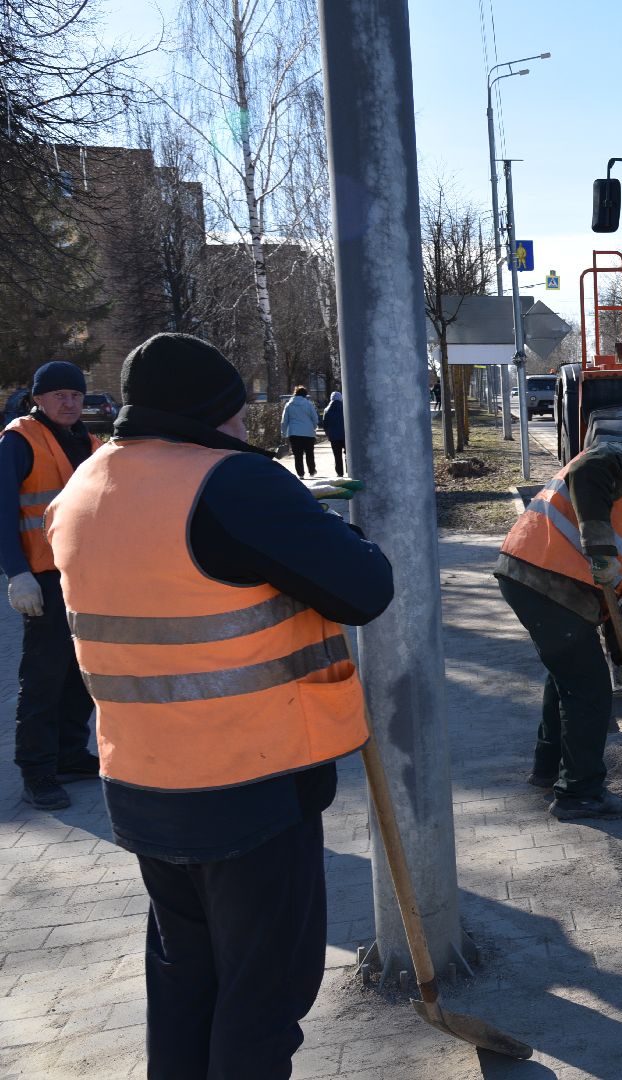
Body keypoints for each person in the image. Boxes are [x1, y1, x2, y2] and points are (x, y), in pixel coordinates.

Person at [45, 333, 394, 1077]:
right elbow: (364, 588)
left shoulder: (86, 483)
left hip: (140, 785)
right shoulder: (230, 482)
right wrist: (329, 529)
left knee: (184, 985)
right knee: (261, 1000)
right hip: (248, 787)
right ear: (207, 413)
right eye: (235, 416)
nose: (242, 431)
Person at [495, 428, 622, 820]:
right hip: (544, 579)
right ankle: (579, 794)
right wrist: (598, 547)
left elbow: (618, 599)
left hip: (541, 582)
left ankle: (548, 770)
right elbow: (587, 473)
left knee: (566, 677)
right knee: (589, 690)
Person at [2, 362, 101, 810]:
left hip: (88, 576)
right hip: (42, 577)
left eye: (76, 395)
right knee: (42, 676)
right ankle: (37, 771)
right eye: (59, 394)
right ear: (37, 399)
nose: (69, 402)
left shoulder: (90, 442)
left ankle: (70, 754)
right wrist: (16, 572)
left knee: (81, 671)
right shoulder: (19, 441)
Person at [280, 385, 320, 477]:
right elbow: (315, 418)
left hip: (294, 433)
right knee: (309, 453)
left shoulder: (289, 404)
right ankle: (312, 471)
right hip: (308, 433)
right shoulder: (309, 404)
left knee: (298, 455)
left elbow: (284, 420)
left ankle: (300, 473)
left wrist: (283, 432)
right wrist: (314, 428)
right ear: (305, 395)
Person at [321, 390, 347, 476]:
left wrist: (328, 434)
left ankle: (340, 473)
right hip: (345, 436)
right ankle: (349, 469)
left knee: (337, 455)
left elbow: (325, 424)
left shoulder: (326, 410)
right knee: (348, 453)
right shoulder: (346, 407)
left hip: (334, 437)